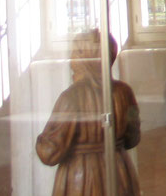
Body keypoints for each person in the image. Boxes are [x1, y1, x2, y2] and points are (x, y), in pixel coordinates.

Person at [36, 30, 140, 195]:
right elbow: (133, 139)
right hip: (120, 173)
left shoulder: (71, 98)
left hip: (82, 180)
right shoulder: (124, 92)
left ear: (88, 59)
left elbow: (50, 153)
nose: (71, 59)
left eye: (75, 53)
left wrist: (42, 141)